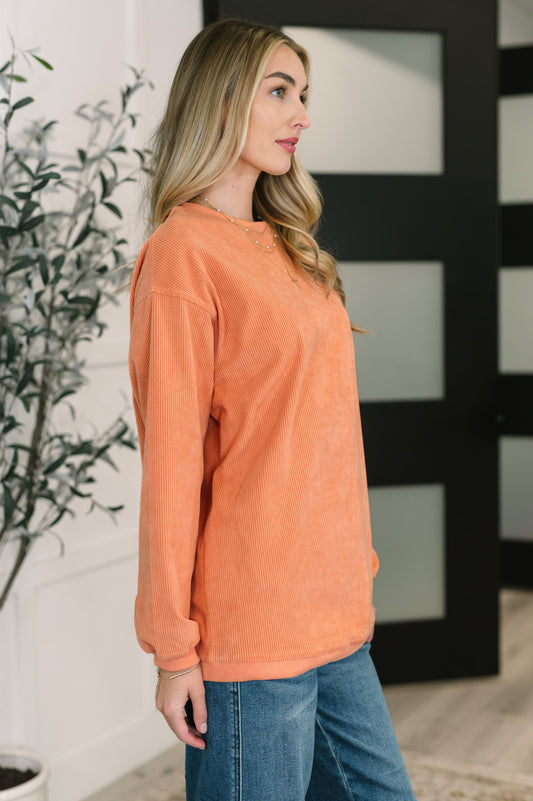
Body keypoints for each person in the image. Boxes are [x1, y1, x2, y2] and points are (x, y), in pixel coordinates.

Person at [128, 17, 417, 801]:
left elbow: (321, 429)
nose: (302, 114)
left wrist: (352, 568)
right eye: (280, 91)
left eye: (305, 94)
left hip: (332, 615)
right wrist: (173, 651)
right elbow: (174, 465)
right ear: (221, 100)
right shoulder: (184, 254)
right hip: (249, 629)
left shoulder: (287, 245)